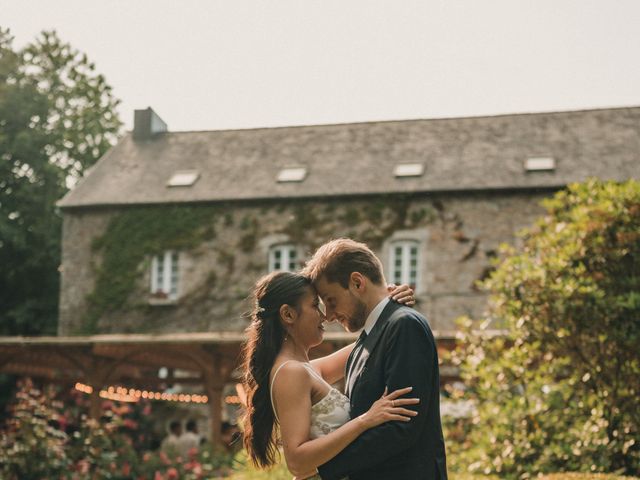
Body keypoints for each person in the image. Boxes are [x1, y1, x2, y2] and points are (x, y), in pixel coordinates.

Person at [240, 271, 418, 479]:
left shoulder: (306, 369)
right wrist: (364, 420)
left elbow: (372, 341)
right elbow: (297, 461)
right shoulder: (291, 372)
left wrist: (386, 304)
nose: (324, 316)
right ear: (288, 314)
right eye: (315, 305)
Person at [302, 238, 448, 480]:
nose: (327, 316)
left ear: (357, 282)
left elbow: (402, 426)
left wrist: (323, 471)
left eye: (331, 300)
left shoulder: (404, 325)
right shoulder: (365, 341)